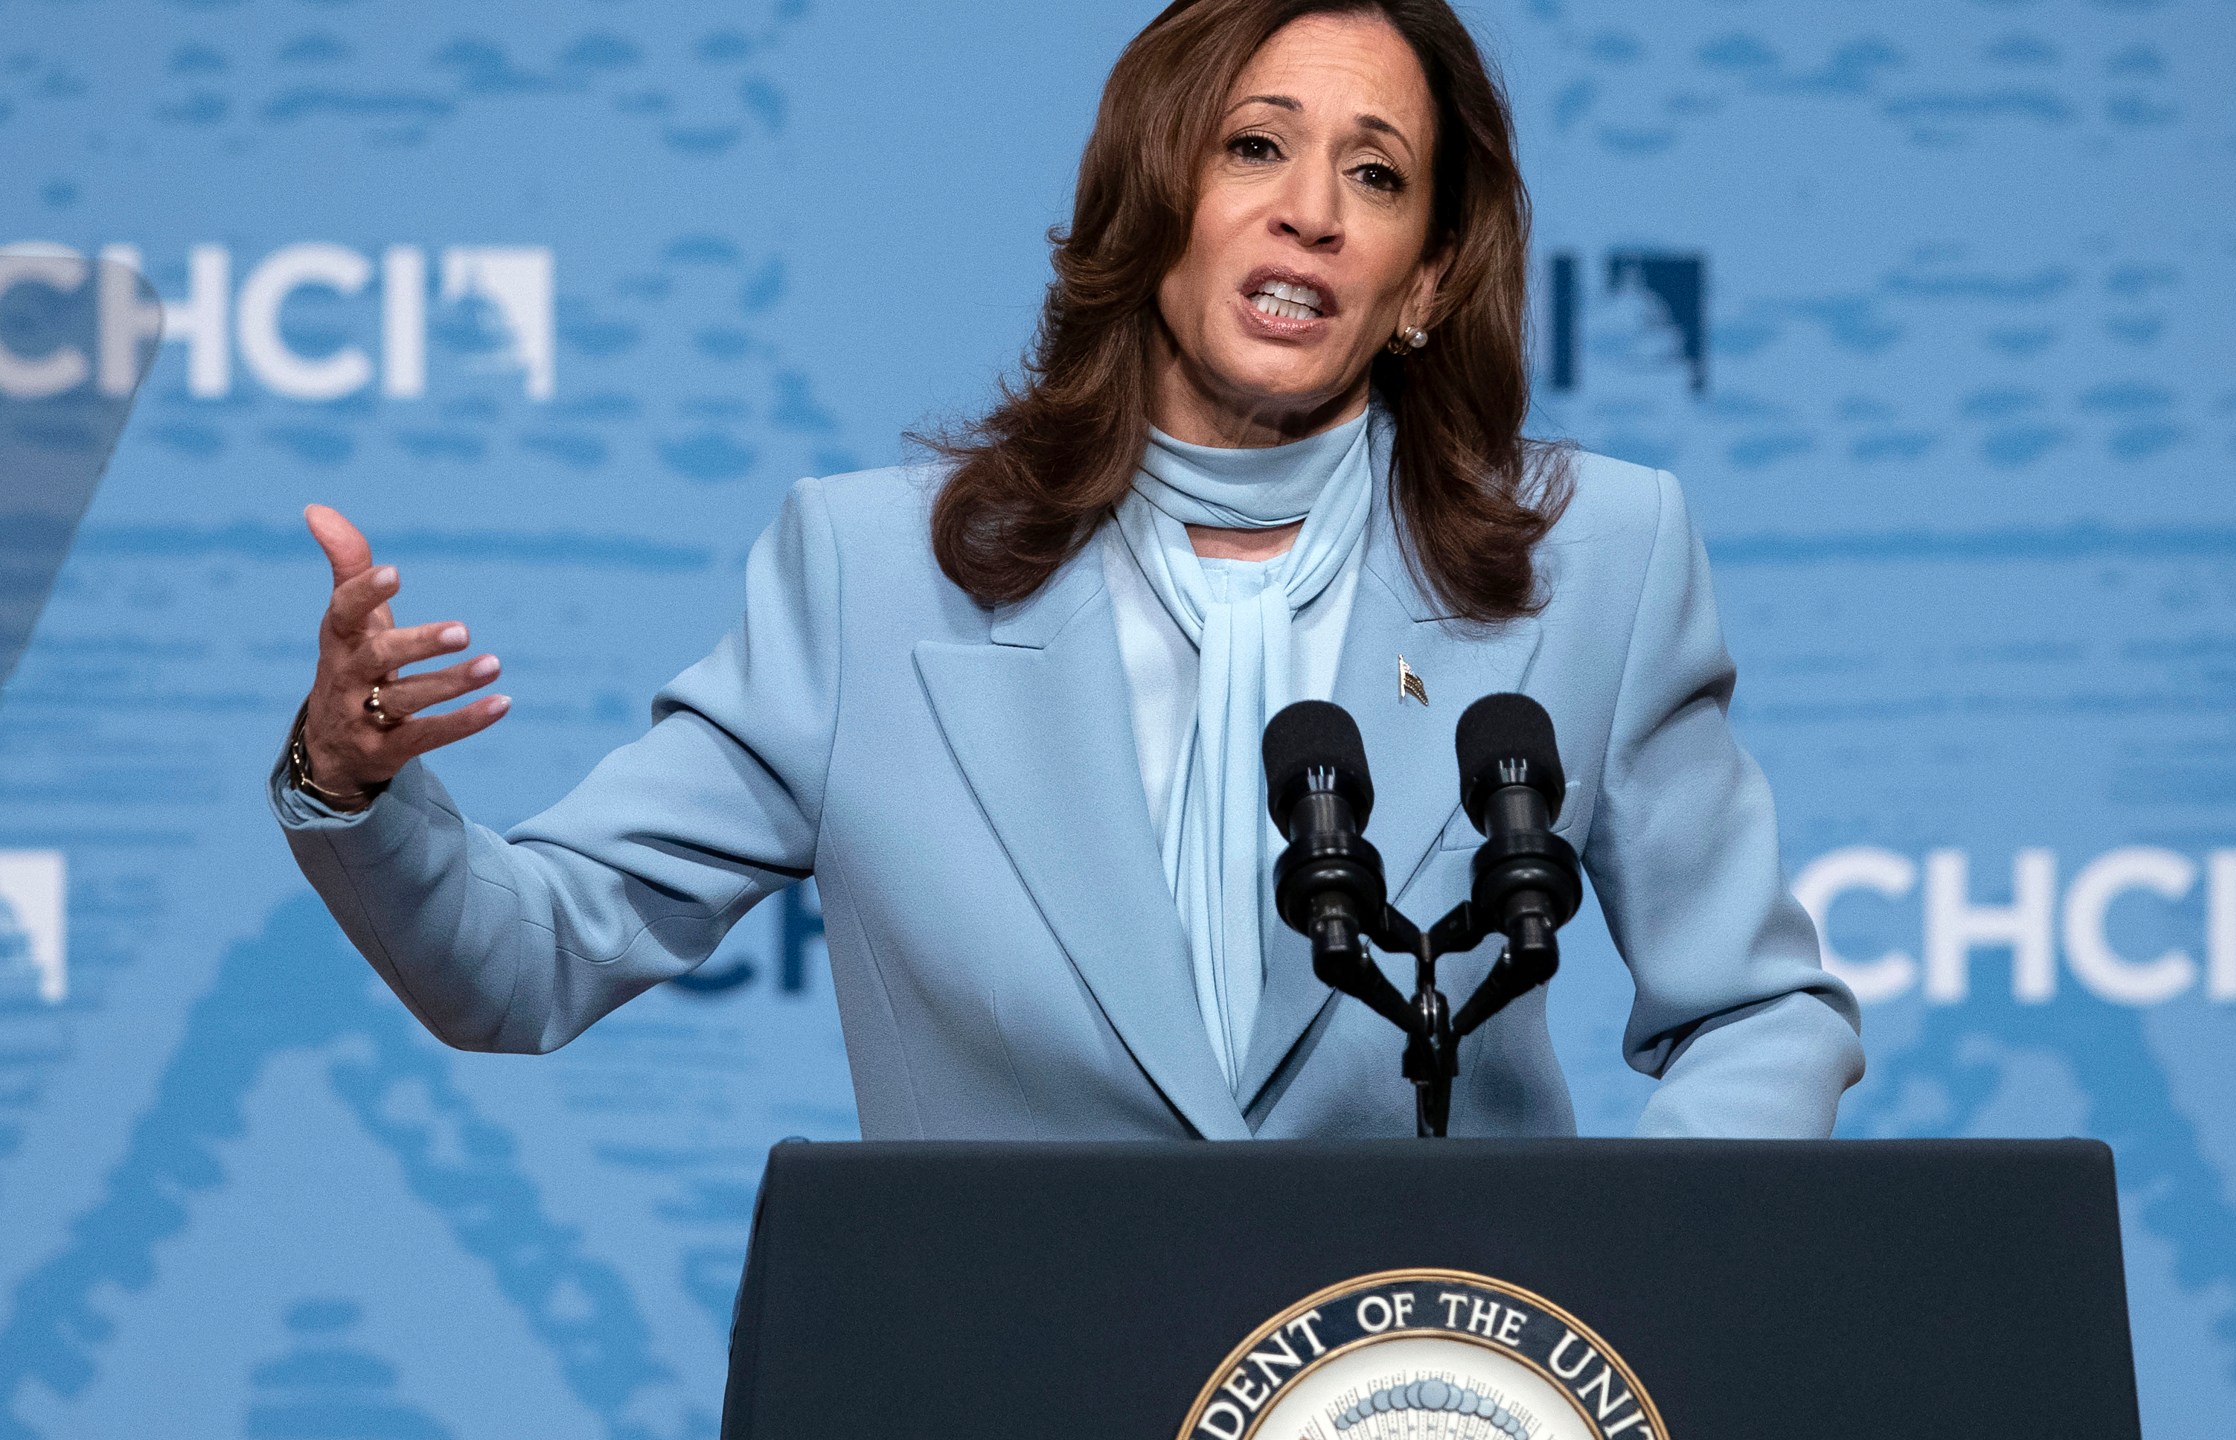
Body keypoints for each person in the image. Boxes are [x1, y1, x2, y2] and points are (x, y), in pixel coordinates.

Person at [270, 0, 1862, 1141]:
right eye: (1256, 148)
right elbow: (525, 958)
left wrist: (1606, 1283)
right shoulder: (872, 580)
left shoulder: (1596, 561)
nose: (1311, 212)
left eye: (1377, 176)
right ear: (1152, 196)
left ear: (1427, 278)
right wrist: (352, 787)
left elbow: (1761, 1013)